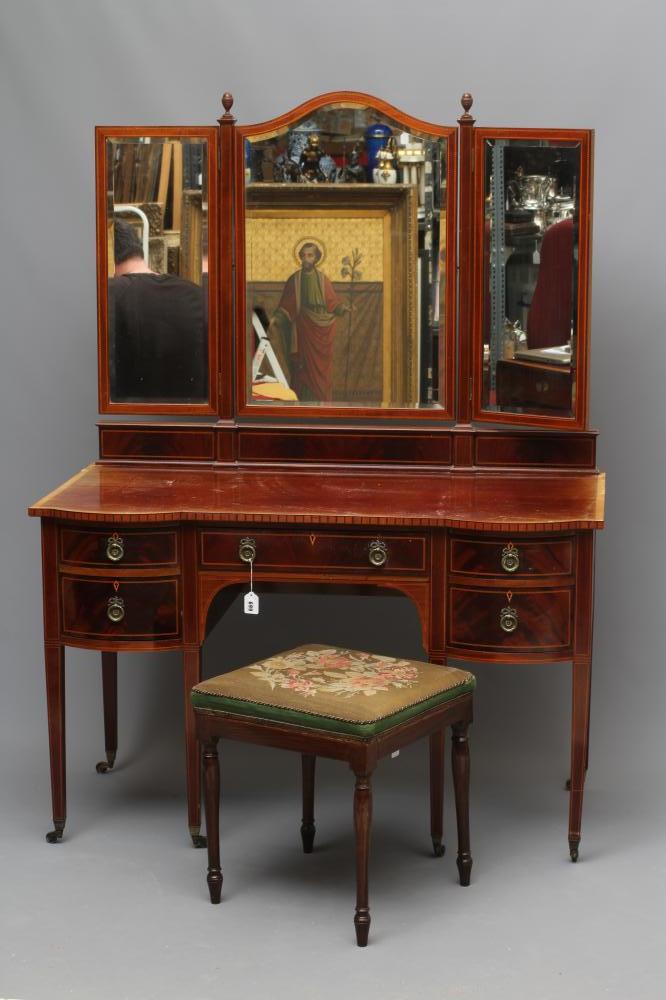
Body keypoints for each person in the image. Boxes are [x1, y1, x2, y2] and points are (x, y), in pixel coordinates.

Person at [108, 220, 207, 401]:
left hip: (126, 424)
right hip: (194, 424)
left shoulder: (105, 298)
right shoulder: (197, 295)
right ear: (138, 249)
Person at [268, 241, 349, 403]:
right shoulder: (294, 280)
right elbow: (287, 304)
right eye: (304, 255)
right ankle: (300, 402)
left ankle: (321, 402)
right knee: (301, 367)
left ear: (316, 258)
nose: (306, 259)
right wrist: (276, 317)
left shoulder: (322, 279)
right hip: (302, 328)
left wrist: (342, 308)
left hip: (320, 328)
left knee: (320, 370)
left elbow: (332, 302)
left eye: (310, 255)